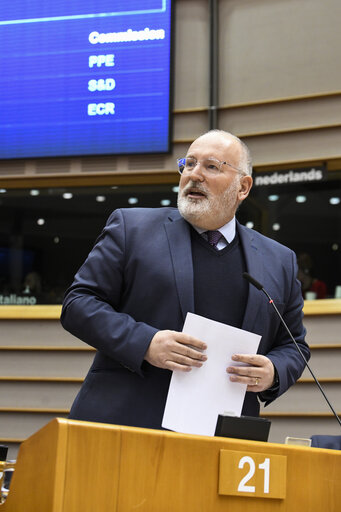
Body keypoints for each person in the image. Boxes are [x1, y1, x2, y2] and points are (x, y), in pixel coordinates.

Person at [61, 130, 310, 429]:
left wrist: (273, 371)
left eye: (211, 166)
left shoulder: (278, 260)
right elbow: (78, 304)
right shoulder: (132, 228)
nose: (194, 175)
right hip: (126, 420)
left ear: (243, 187)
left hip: (222, 432)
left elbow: (294, 345)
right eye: (189, 164)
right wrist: (146, 342)